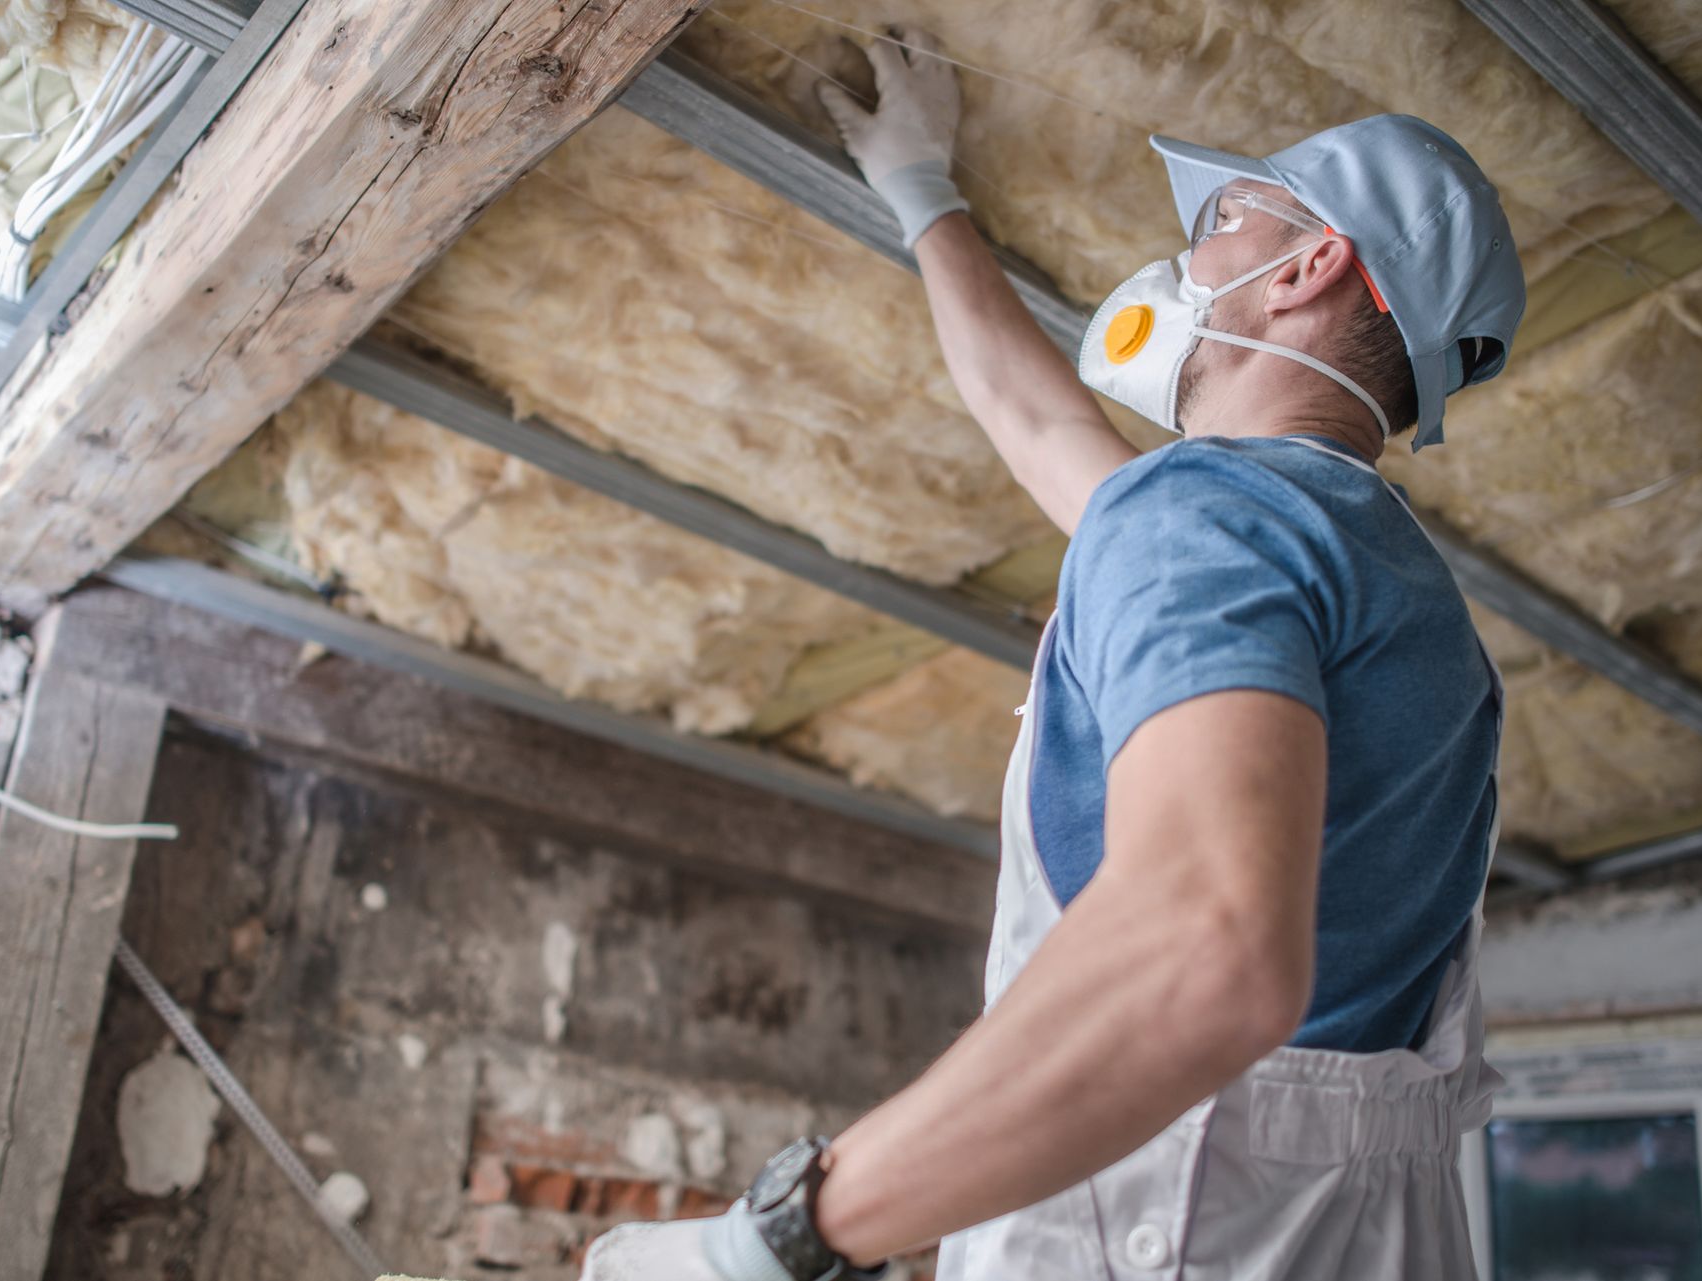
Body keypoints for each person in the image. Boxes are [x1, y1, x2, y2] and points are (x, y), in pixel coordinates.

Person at [582, 24, 1525, 1281]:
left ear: (1310, 268)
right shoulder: (1402, 602)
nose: (1187, 251)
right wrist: (923, 194)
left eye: (1228, 218)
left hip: (1170, 1222)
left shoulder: (1207, 514)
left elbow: (1205, 956)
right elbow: (1035, 422)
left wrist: (769, 1244)